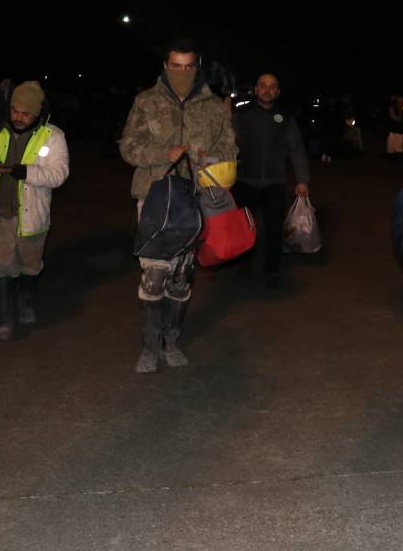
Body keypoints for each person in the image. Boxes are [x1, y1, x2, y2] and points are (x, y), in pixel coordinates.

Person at [120, 38, 236, 373]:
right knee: (153, 276)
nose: (182, 72)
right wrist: (162, 155)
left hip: (196, 199)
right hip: (155, 196)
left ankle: (172, 342)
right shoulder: (146, 101)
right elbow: (128, 147)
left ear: (197, 67)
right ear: (166, 66)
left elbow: (230, 149)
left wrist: (211, 160)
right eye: (176, 66)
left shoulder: (214, 106)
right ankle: (149, 347)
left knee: (181, 278)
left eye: (188, 66)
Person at [0, 81, 70, 341]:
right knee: (0, 267)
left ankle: (25, 304)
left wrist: (27, 173)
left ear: (38, 114)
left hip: (32, 216)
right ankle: (4, 321)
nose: (19, 117)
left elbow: (60, 174)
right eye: (15, 110)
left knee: (30, 266)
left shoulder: (53, 135)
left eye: (26, 113)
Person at [232, 73, 311, 289]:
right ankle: (244, 263)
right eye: (263, 86)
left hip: (275, 183)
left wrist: (302, 180)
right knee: (244, 227)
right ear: (256, 89)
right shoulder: (241, 114)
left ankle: (272, 269)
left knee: (274, 229)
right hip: (245, 181)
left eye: (272, 87)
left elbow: (296, 149)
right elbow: (229, 144)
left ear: (278, 92)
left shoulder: (285, 118)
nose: (267, 90)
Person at [385, 95, 403, 160]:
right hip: (392, 131)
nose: (400, 102)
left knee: (399, 149)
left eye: (402, 101)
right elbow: (393, 116)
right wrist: (400, 116)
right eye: (399, 101)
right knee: (390, 148)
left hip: (400, 132)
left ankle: (398, 161)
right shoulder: (392, 108)